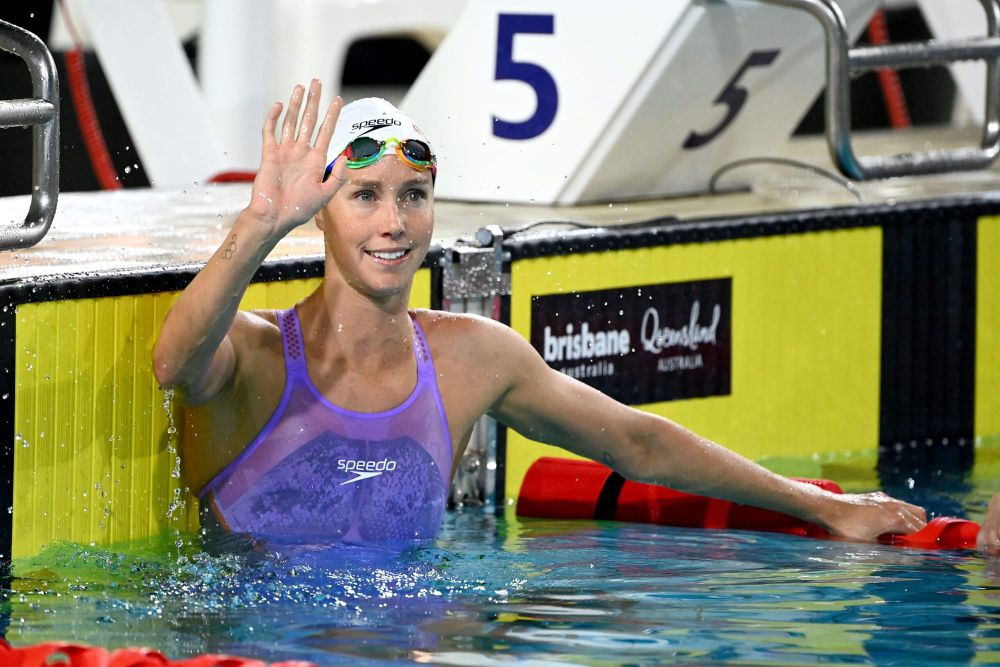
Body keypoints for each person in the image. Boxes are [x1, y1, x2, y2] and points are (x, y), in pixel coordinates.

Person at [153, 80, 927, 547]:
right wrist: (259, 224)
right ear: (322, 213)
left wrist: (825, 506)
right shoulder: (257, 357)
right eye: (364, 196)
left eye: (412, 197)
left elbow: (637, 442)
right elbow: (175, 364)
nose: (393, 222)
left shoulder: (473, 359)